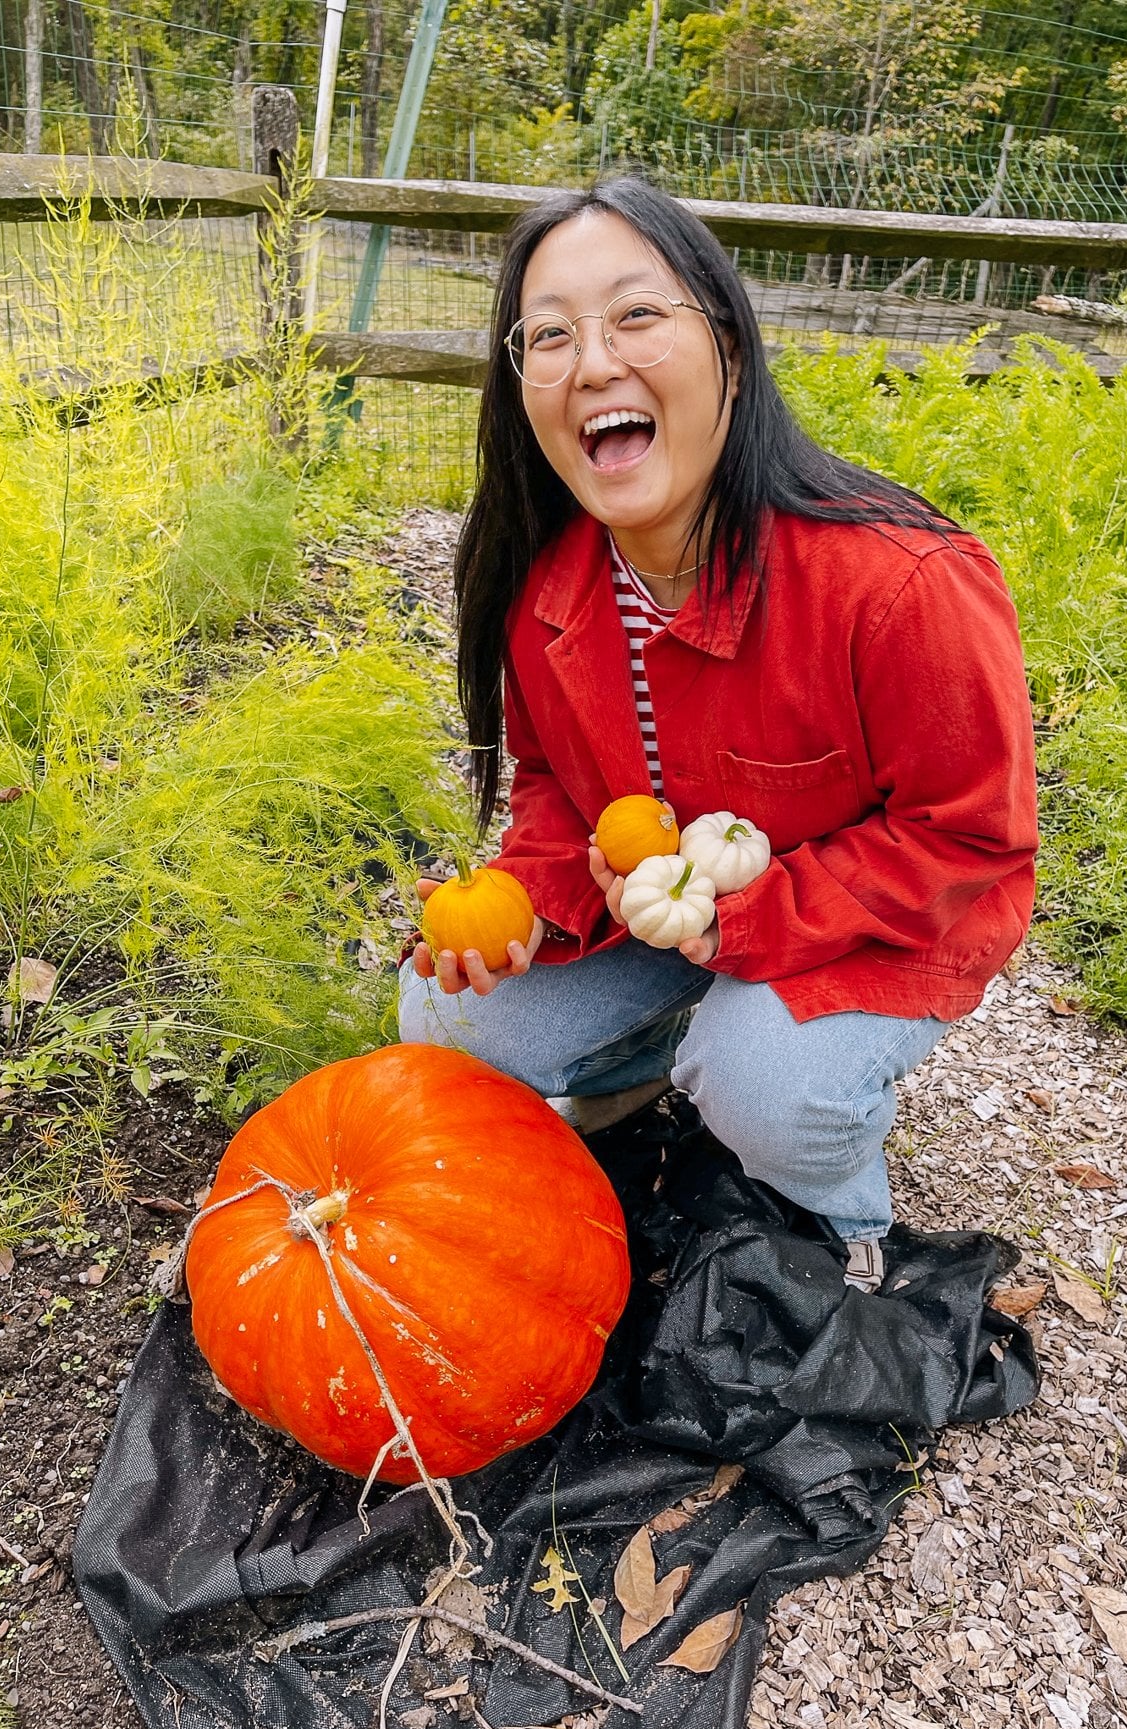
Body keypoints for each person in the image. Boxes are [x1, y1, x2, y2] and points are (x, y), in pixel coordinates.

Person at [398, 175, 1038, 1292]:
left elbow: (969, 839)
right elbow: (551, 783)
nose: (593, 363)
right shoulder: (542, 589)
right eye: (549, 336)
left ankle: (843, 1236)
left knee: (767, 1083)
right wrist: (533, 906)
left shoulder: (901, 585)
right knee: (446, 1012)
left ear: (730, 355)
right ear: (523, 388)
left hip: (871, 920)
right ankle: (659, 1060)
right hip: (678, 916)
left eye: (637, 315)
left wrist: (744, 919)